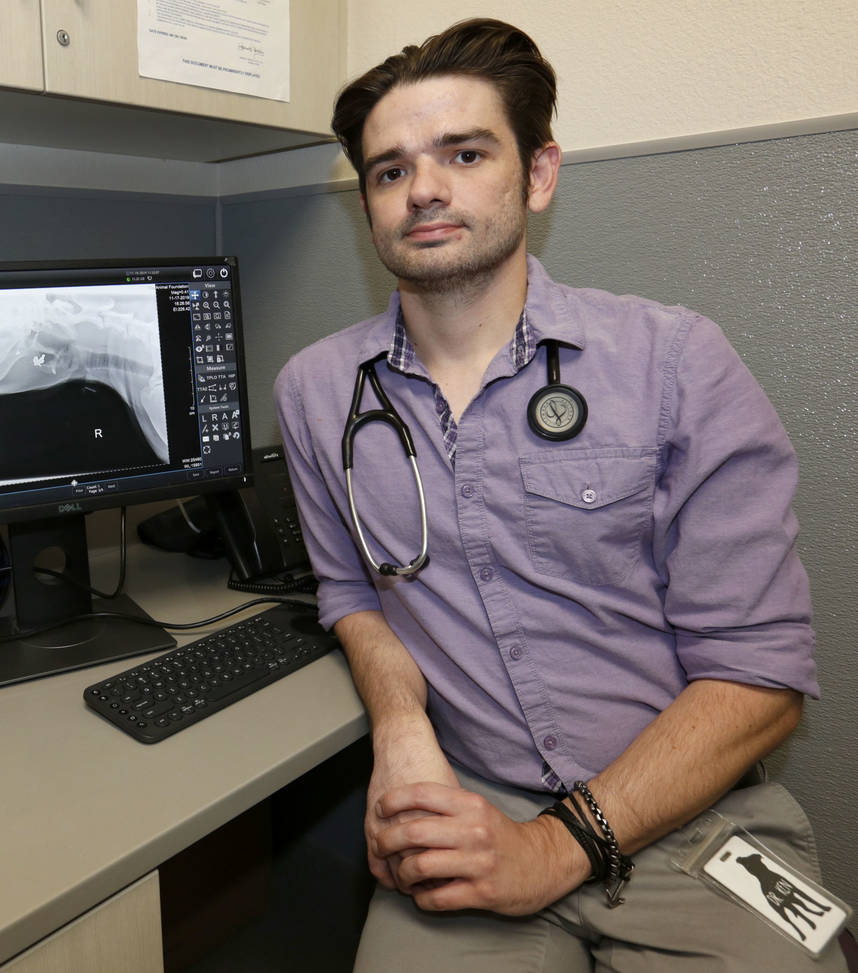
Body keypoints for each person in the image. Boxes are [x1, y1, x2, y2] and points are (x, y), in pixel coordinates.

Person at [274, 18, 846, 972]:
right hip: (469, 808)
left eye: (464, 152)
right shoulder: (317, 393)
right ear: (368, 203)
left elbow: (760, 678)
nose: (423, 189)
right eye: (389, 170)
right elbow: (350, 592)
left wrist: (555, 845)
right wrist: (401, 725)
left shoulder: (675, 363)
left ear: (538, 175)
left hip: (687, 817)